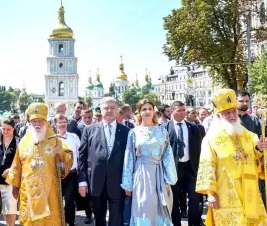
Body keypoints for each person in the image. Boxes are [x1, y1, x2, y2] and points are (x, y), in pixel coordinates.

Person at [196, 89, 267, 225]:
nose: (231, 115)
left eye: (233, 111)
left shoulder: (247, 134)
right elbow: (207, 167)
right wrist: (211, 194)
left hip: (249, 189)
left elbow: (256, 156)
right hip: (225, 194)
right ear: (218, 116)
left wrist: (260, 148)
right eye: (226, 113)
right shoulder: (211, 139)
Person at [6, 103, 73, 226]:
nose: (37, 124)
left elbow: (68, 157)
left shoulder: (55, 140)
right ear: (30, 122)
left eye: (40, 121)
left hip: (50, 191)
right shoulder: (23, 143)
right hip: (28, 192)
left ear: (45, 122)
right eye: (34, 121)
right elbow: (17, 165)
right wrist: (15, 186)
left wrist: (61, 153)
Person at [121, 99, 177, 225]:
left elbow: (168, 155)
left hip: (159, 174)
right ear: (139, 112)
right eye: (144, 109)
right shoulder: (134, 132)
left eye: (150, 109)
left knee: (160, 207)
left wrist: (170, 177)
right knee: (144, 206)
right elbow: (129, 157)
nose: (147, 111)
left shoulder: (162, 131)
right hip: (142, 175)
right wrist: (128, 184)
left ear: (154, 111)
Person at [78, 97, 130, 226]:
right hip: (96, 181)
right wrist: (82, 181)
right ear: (100, 110)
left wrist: (129, 183)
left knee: (116, 218)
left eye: (112, 108)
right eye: (106, 108)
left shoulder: (126, 132)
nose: (109, 110)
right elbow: (82, 157)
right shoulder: (89, 130)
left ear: (117, 110)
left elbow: (130, 160)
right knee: (99, 218)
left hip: (118, 182)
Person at [162, 101, 203, 226]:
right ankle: (176, 223)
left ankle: (194, 223)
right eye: (178, 110)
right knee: (174, 200)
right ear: (172, 111)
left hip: (191, 168)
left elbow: (200, 148)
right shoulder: (164, 129)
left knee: (194, 198)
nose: (182, 113)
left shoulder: (195, 127)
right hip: (174, 169)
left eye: (183, 110)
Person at [55, 114, 81, 226]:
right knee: (57, 201)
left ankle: (70, 222)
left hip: (71, 174)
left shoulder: (74, 137)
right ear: (55, 124)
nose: (62, 124)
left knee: (70, 201)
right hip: (57, 175)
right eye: (60, 122)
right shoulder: (52, 139)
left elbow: (80, 154)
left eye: (64, 122)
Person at [0, 118, 19, 226]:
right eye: (3, 129)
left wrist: (12, 169)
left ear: (13, 129)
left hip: (13, 179)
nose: (5, 131)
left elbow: (23, 160)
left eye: (8, 129)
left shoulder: (19, 141)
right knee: (4, 207)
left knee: (12, 207)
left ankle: (12, 225)